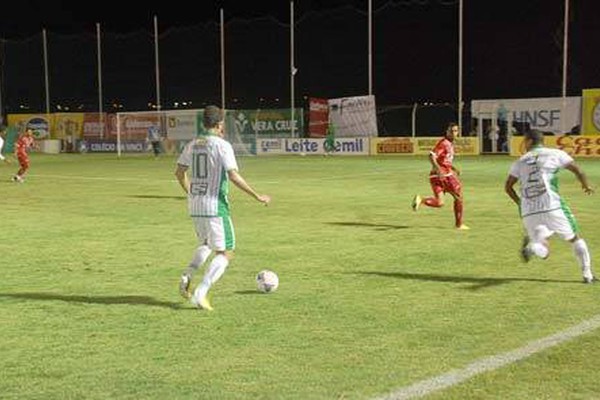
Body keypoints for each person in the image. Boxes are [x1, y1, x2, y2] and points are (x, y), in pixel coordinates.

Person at [175, 105, 271, 311]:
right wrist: (256, 195)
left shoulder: (191, 144)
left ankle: (187, 275)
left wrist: (192, 192)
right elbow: (233, 175)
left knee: (206, 243)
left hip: (196, 204)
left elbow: (179, 172)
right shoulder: (222, 145)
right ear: (219, 124)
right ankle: (201, 293)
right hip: (215, 205)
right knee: (226, 252)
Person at [504, 129, 596, 283]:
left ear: (530, 141)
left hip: (528, 210)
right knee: (574, 238)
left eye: (524, 141)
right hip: (551, 205)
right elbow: (577, 170)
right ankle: (587, 274)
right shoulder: (555, 153)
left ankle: (533, 247)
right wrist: (585, 185)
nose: (523, 144)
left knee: (543, 249)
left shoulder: (520, 161)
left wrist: (520, 202)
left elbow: (508, 187)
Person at [411, 122, 469, 230]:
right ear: (446, 132)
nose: (453, 133)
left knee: (440, 203)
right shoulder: (444, 143)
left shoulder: (449, 144)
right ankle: (459, 224)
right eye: (451, 131)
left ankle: (421, 200)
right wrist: (439, 169)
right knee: (459, 197)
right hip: (445, 176)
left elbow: (444, 161)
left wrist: (454, 168)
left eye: (455, 131)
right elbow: (431, 156)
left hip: (434, 177)